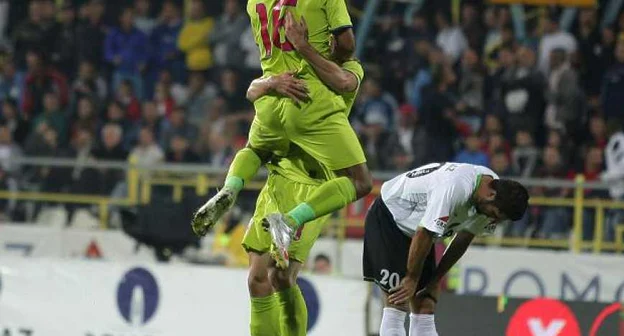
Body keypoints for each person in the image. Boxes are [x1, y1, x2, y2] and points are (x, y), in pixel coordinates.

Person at [192, 1, 372, 271]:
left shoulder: (255, 3)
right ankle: (291, 220)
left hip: (271, 100)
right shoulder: (345, 57)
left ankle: (230, 188)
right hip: (309, 110)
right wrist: (307, 46)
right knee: (360, 182)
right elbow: (346, 56)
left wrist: (272, 82)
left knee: (254, 149)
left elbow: (252, 89)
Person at [240, 23, 365, 336]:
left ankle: (292, 221)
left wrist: (304, 47)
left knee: (282, 277)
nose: (332, 45)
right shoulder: (292, 65)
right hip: (280, 176)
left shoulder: (350, 68)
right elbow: (252, 90)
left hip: (313, 184)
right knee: (256, 278)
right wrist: (272, 82)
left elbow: (344, 82)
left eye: (334, 40)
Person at [363, 162, 528, 336]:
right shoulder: (455, 186)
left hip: (422, 232)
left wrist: (435, 279)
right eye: (494, 214)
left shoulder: (492, 193)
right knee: (398, 303)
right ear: (490, 194)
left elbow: (463, 239)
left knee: (425, 305)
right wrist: (412, 278)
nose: (493, 220)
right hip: (390, 218)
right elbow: (424, 233)